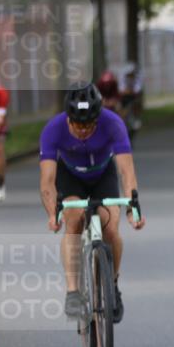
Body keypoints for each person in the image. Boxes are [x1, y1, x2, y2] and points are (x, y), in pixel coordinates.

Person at [39, 82, 145, 321]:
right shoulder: (53, 130)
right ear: (69, 118)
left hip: (102, 174)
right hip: (71, 177)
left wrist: (132, 210)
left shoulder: (113, 123)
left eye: (89, 124)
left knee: (110, 226)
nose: (84, 130)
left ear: (98, 117)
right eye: (78, 124)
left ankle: (112, 285)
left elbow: (126, 171)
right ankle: (73, 292)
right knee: (73, 221)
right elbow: (47, 181)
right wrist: (51, 214)